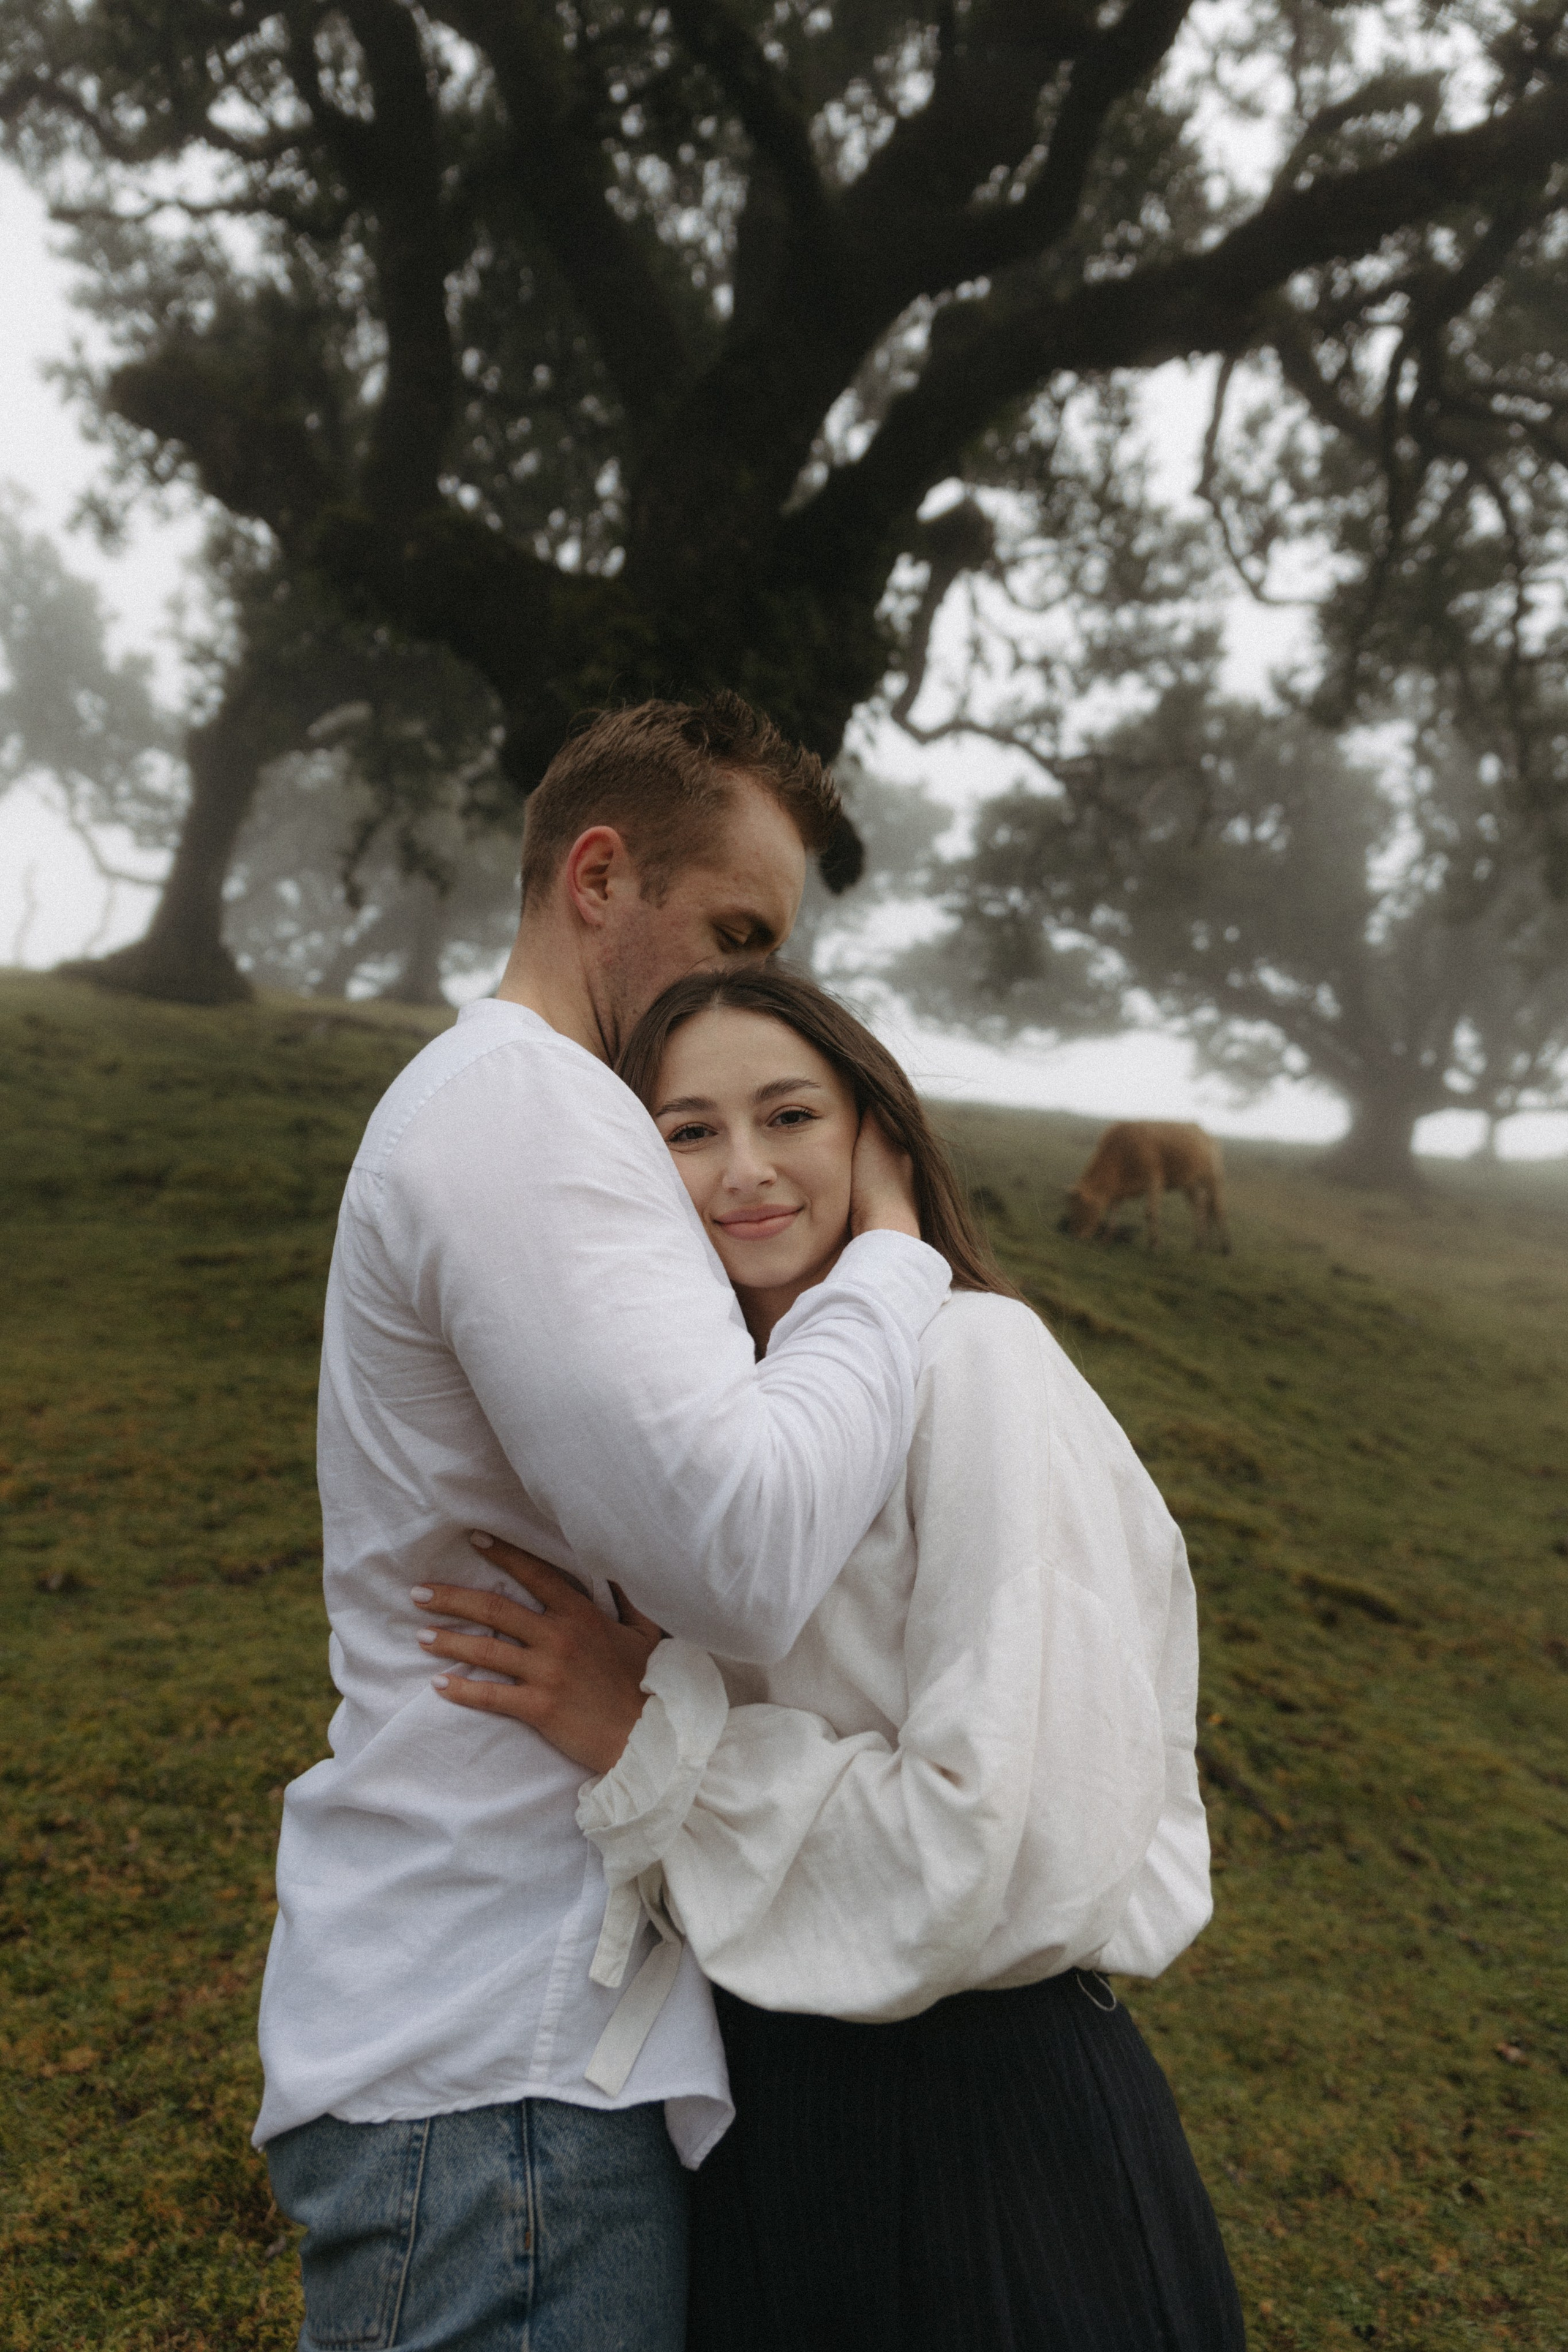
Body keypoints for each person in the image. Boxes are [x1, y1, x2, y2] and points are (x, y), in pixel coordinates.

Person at [255, 701, 955, 2352]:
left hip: (526, 2048)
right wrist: (896, 1262)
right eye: (733, 934)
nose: (756, 988)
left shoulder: (527, 1115)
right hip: (492, 2055)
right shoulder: (525, 1112)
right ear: (596, 876)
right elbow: (743, 1551)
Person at [415, 967, 1247, 2352]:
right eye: (685, 1132)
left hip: (986, 2137)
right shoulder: (709, 1434)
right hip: (767, 2131)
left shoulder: (975, 1363)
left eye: (787, 1113)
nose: (742, 1170)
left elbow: (994, 1838)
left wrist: (653, 1738)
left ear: (880, 1141)